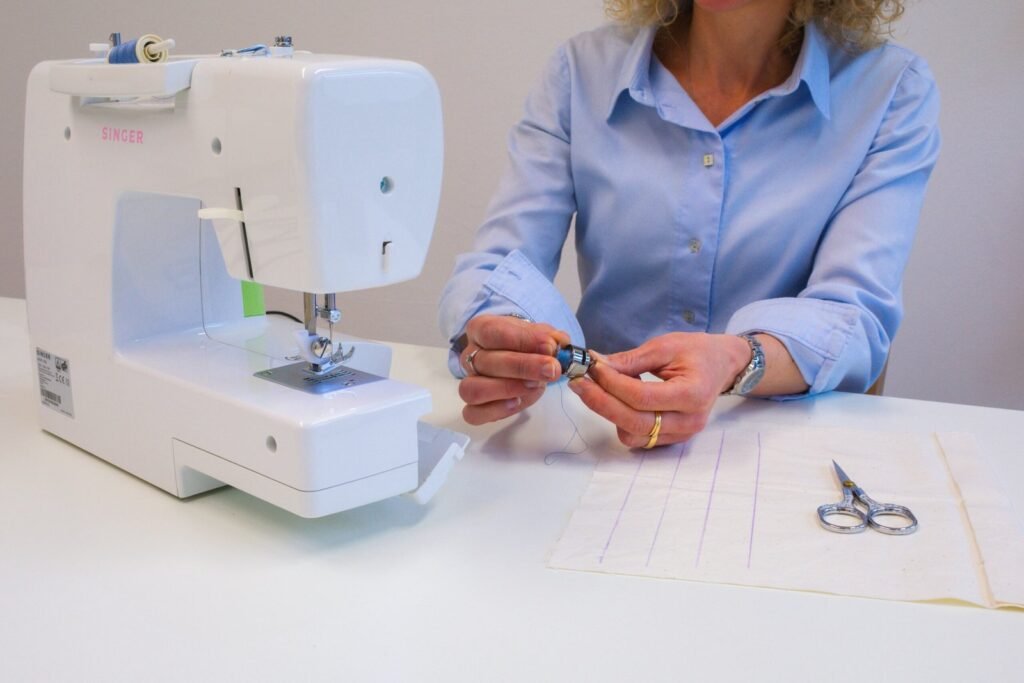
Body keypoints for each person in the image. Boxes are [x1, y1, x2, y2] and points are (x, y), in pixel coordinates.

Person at [438, 0, 940, 449]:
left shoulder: (890, 90)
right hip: (599, 439)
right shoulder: (582, 70)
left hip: (771, 451)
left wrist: (739, 360)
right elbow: (501, 264)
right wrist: (504, 337)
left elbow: (855, 315)